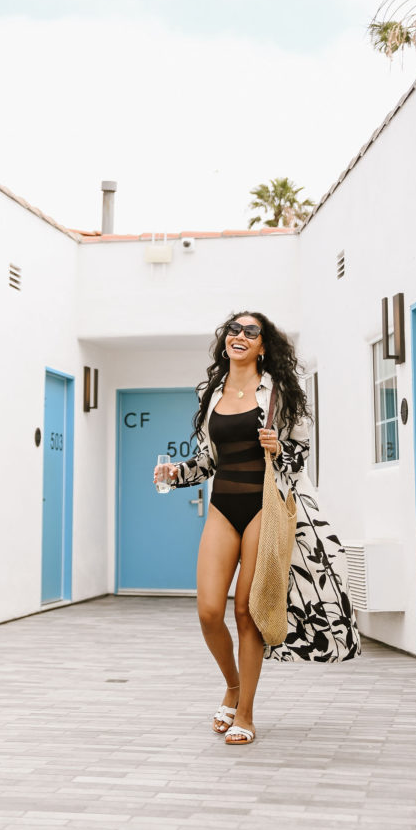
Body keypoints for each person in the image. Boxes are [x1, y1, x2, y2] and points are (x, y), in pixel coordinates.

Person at [154, 311, 360, 746]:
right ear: (225, 341)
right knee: (209, 611)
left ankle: (245, 710)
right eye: (233, 329)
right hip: (223, 505)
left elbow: (300, 454)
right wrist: (177, 473)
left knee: (245, 610)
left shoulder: (280, 391)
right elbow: (208, 461)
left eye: (251, 331)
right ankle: (231, 685)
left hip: (264, 504)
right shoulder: (210, 392)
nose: (240, 336)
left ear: (263, 345)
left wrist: (279, 446)